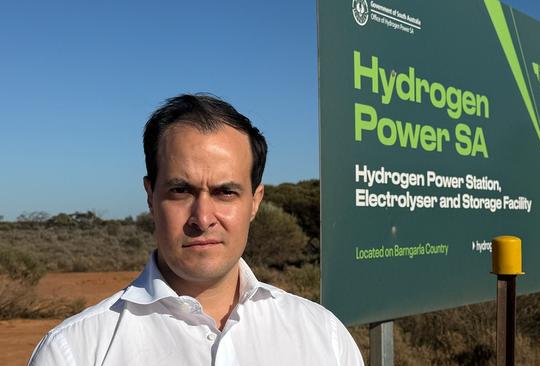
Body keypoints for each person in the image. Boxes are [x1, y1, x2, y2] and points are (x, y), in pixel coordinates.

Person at [29, 94, 364, 365]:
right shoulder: (73, 352)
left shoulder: (324, 336)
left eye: (225, 192)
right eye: (181, 191)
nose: (202, 218)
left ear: (255, 201)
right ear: (150, 196)